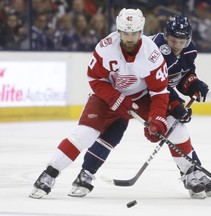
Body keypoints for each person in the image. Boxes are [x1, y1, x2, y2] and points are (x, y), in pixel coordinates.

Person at [69, 15, 211, 199]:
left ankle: (192, 173)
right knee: (112, 134)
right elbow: (158, 86)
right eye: (173, 40)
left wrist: (194, 84)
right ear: (165, 35)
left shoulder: (189, 50)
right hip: (136, 96)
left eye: (182, 41)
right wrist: (175, 103)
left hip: (153, 98)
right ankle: (85, 173)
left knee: (176, 129)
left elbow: (181, 76)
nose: (177, 45)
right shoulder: (155, 49)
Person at [29, 8, 170, 199]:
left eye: (134, 33)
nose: (129, 38)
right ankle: (48, 174)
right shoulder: (105, 47)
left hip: (137, 100)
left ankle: (86, 174)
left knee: (110, 138)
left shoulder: (152, 55)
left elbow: (159, 92)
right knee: (84, 134)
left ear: (141, 32)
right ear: (118, 31)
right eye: (125, 33)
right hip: (105, 96)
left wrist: (157, 118)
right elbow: (94, 78)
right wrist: (114, 97)